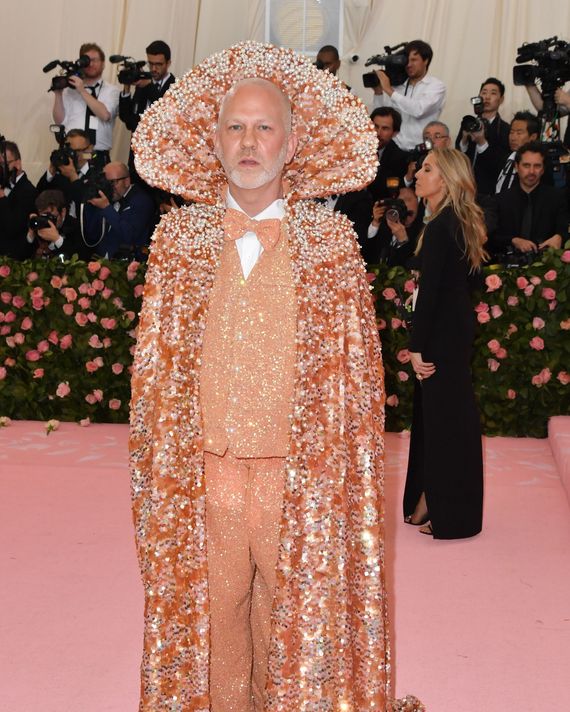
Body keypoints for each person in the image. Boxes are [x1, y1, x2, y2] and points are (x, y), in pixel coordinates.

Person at [129, 41, 423, 712]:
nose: (249, 141)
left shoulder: (331, 247)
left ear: (292, 145)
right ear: (215, 141)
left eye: (264, 127)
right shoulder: (178, 243)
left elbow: (355, 385)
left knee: (293, 632)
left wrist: (336, 484)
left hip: (299, 481)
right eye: (235, 127)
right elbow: (155, 376)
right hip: (205, 476)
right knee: (212, 636)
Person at [403, 148, 486, 539]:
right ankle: (434, 499)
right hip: (453, 331)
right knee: (448, 420)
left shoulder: (441, 226)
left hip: (440, 336)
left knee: (444, 423)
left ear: (446, 179)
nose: (419, 174)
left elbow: (433, 292)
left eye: (428, 169)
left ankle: (445, 505)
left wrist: (417, 347)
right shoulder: (452, 221)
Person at [493, 141, 567, 256]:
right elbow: (492, 237)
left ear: (543, 170)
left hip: (547, 265)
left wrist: (559, 237)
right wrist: (513, 240)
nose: (531, 171)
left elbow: (564, 229)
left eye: (537, 166)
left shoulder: (557, 198)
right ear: (516, 167)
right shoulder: (501, 200)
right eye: (526, 165)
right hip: (507, 266)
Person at [371, 39, 446, 151]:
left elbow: (418, 110)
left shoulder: (436, 86)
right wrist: (378, 92)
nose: (409, 65)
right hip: (393, 149)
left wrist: (389, 90)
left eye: (414, 60)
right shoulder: (397, 87)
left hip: (420, 150)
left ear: (426, 61)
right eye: (407, 61)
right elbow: (382, 116)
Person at [52, 42, 120, 161]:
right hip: (71, 153)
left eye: (94, 60)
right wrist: (58, 94)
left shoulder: (112, 91)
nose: (90, 64)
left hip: (97, 154)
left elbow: (105, 115)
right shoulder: (69, 91)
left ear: (103, 64)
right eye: (86, 60)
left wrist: (82, 91)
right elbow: (59, 121)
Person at [81, 161, 155, 258]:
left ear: (127, 181)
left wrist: (107, 208)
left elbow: (130, 236)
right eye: (106, 182)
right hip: (100, 261)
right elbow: (92, 235)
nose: (109, 187)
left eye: (112, 182)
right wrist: (91, 203)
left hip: (125, 264)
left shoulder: (142, 201)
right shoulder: (106, 198)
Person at [455, 77, 510, 195]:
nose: (487, 97)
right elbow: (458, 154)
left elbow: (502, 163)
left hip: (489, 190)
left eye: (493, 93)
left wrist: (482, 142)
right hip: (464, 188)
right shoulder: (469, 122)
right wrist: (464, 139)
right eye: (484, 93)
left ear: (501, 99)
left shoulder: (506, 129)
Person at [0, 140, 37, 259]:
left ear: (18, 163)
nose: (1, 169)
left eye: (4, 164)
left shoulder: (28, 190)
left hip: (14, 259)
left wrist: (2, 198)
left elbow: (13, 227)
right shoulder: (3, 184)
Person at [26, 189, 87, 259]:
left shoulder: (76, 226)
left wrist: (57, 239)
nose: (47, 220)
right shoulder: (40, 223)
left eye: (50, 216)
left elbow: (81, 257)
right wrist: (31, 233)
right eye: (43, 216)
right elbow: (23, 255)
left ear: (63, 212)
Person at [369, 107, 409, 200]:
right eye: (375, 126)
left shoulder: (399, 159)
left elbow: (387, 191)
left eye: (385, 128)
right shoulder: (352, 147)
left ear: (395, 133)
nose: (378, 133)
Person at [496, 111, 540, 194]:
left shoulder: (538, 164)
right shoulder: (505, 159)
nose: (513, 138)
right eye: (511, 132)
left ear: (533, 137)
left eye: (519, 133)